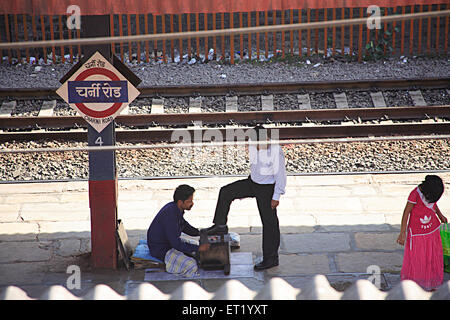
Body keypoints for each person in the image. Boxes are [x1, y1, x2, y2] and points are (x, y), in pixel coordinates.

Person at [206, 125, 287, 271]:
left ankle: (271, 259)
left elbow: (281, 176)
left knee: (270, 224)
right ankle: (220, 225)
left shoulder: (276, 151)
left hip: (267, 189)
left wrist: (276, 196)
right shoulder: (253, 142)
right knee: (226, 192)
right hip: (252, 182)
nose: (254, 145)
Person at [396, 175, 448, 291]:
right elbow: (406, 213)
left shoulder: (430, 194)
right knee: (418, 258)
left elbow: (433, 205)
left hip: (432, 230)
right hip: (417, 233)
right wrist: (402, 233)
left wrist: (440, 216)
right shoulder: (414, 194)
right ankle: (416, 283)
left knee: (431, 257)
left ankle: (431, 281)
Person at [147, 184, 209, 277]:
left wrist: (200, 232)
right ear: (180, 202)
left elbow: (184, 226)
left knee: (196, 246)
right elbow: (176, 244)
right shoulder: (170, 215)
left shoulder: (175, 208)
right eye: (189, 201)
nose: (192, 204)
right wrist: (198, 249)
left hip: (169, 242)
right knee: (192, 265)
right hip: (160, 249)